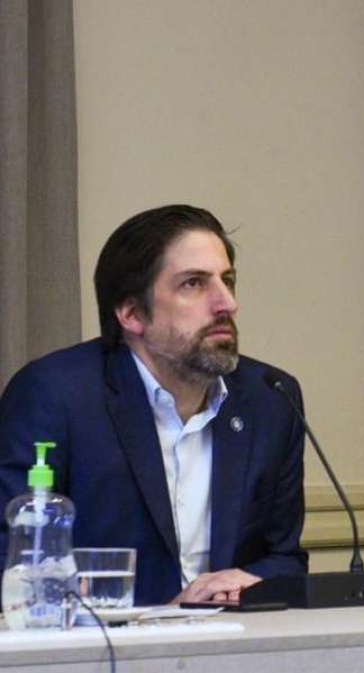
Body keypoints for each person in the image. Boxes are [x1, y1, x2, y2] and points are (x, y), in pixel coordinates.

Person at [0, 204, 308, 606]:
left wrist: (249, 581)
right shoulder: (55, 395)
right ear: (132, 314)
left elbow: (285, 558)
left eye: (228, 280)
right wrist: (161, 617)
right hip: (107, 642)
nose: (226, 304)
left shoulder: (271, 398)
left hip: (234, 638)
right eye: (194, 284)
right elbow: (14, 562)